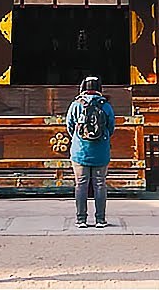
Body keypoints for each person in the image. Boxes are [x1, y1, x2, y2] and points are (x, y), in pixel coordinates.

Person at [65, 75, 115, 228]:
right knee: (100, 184)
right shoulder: (105, 105)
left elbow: (69, 126)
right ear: (99, 88)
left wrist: (79, 139)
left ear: (83, 88)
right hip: (100, 150)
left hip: (80, 151)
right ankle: (100, 219)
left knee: (81, 184)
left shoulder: (76, 105)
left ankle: (81, 219)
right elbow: (111, 127)